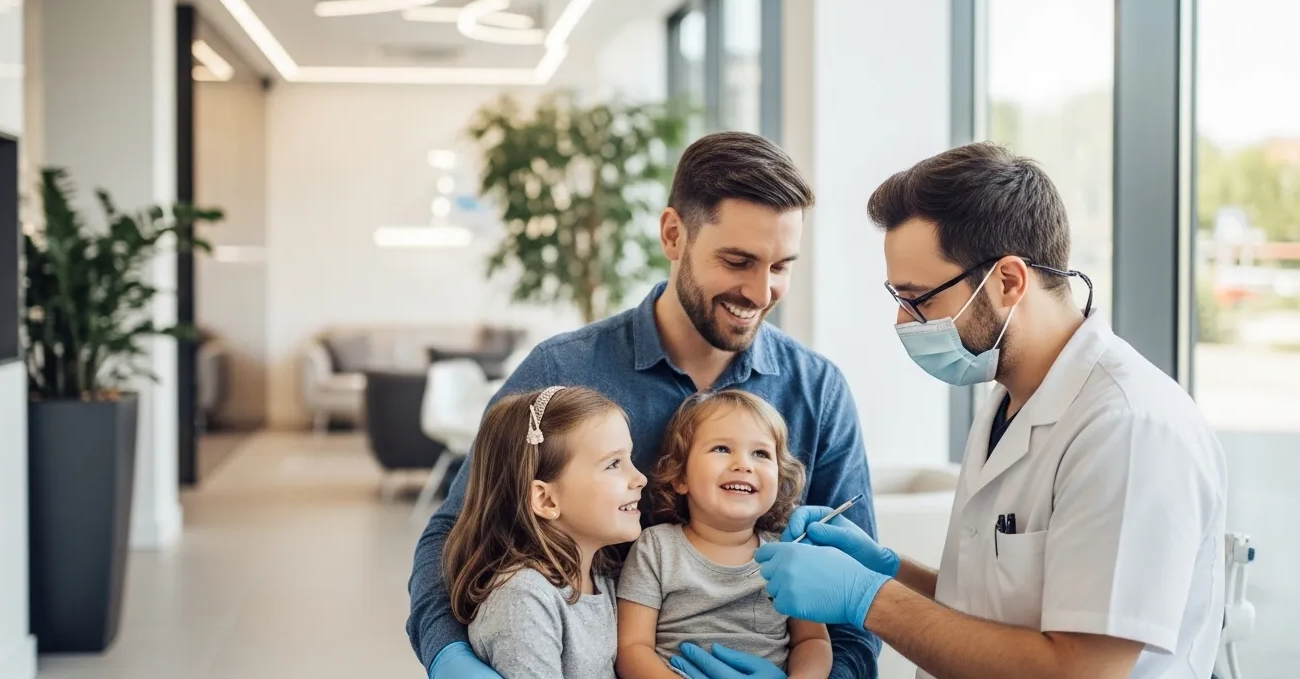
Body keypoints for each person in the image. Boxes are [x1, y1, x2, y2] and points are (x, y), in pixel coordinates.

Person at [408, 131, 881, 679]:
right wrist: (449, 656)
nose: (760, 292)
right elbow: (454, 536)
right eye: (737, 261)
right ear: (673, 234)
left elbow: (856, 607)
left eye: (781, 267)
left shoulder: (817, 391)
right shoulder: (564, 371)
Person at [754, 143, 1228, 678]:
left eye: (920, 299)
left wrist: (871, 600)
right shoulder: (1008, 397)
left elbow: (1080, 669)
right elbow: (997, 609)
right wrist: (886, 568)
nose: (903, 322)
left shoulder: (1128, 428)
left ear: (1007, 281)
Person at [617, 390, 832, 678]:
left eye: (761, 453)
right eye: (722, 449)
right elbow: (632, 649)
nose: (744, 464)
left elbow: (813, 640)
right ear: (680, 476)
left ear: (779, 479)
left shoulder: (790, 553)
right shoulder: (655, 548)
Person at [444, 386, 647, 679]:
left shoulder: (601, 578)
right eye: (614, 464)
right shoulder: (524, 598)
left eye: (630, 459)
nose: (639, 478)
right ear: (545, 500)